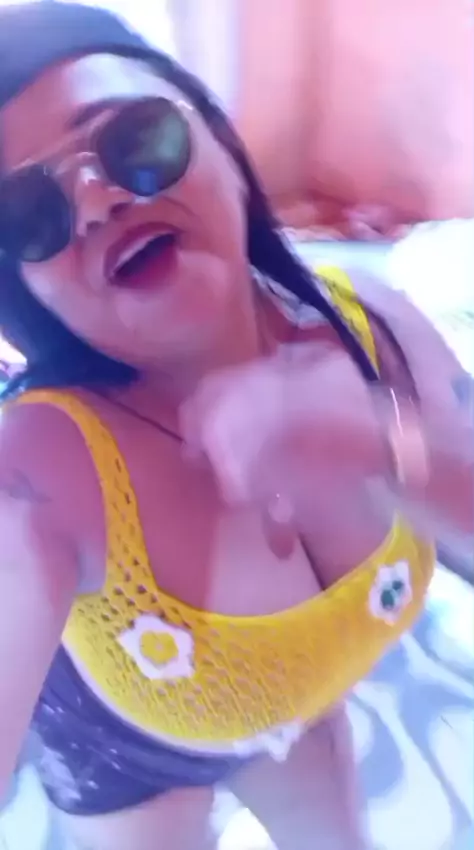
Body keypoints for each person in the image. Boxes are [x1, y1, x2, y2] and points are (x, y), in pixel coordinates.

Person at [0, 3, 472, 849]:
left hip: (296, 695)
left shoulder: (378, 327)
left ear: (219, 137)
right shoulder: (36, 469)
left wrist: (384, 446)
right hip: (130, 757)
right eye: (31, 213)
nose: (98, 203)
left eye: (133, 139)